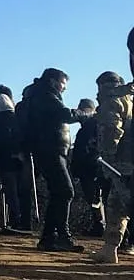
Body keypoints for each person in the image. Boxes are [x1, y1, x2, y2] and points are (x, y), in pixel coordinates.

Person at [23, 67, 90, 253]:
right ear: (53, 81)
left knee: (59, 191)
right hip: (50, 149)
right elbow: (65, 115)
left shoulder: (37, 94)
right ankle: (61, 236)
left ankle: (50, 237)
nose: (64, 88)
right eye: (63, 83)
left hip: (48, 149)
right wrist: (84, 113)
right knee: (65, 190)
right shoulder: (45, 95)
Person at [94, 69, 134, 264]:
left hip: (123, 162)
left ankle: (110, 249)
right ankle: (110, 249)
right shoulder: (130, 98)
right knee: (118, 206)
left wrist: (107, 157)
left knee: (121, 204)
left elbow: (111, 130)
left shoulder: (113, 100)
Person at [0, 86, 32, 233]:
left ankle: (14, 220)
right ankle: (24, 222)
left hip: (4, 161)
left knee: (10, 192)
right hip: (20, 159)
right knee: (23, 191)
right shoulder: (18, 118)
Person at [70, 97, 103, 237]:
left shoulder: (91, 126)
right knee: (94, 198)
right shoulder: (90, 126)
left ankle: (100, 225)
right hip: (88, 168)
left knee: (95, 198)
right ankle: (99, 225)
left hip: (91, 168)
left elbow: (87, 148)